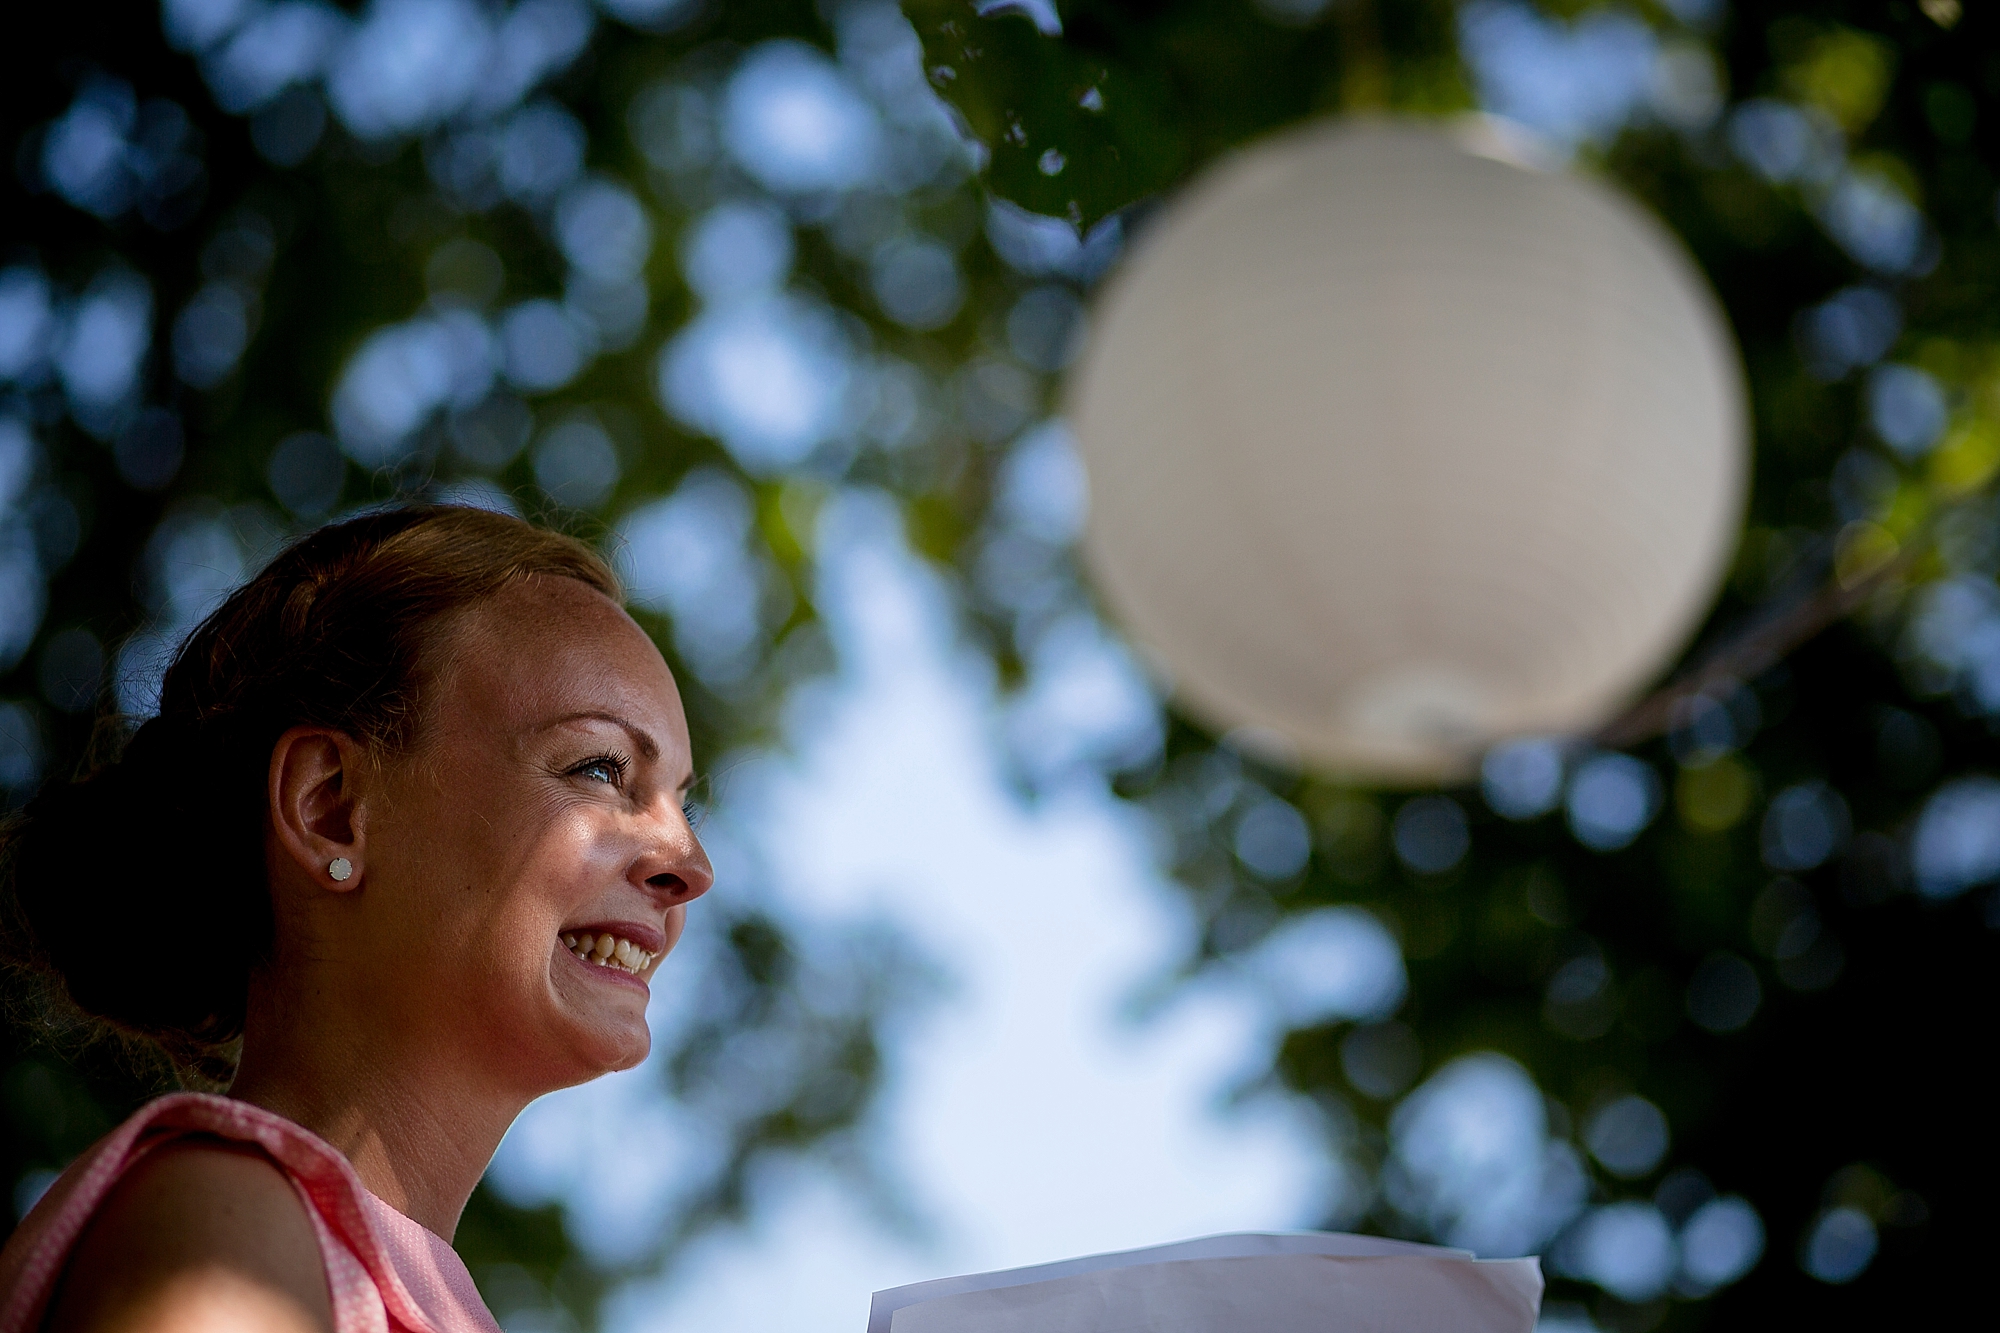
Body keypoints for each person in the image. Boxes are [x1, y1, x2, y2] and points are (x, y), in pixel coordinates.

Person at [0, 506, 714, 1333]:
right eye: (600, 767)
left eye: (685, 802)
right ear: (331, 807)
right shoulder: (231, 1223)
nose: (688, 863)